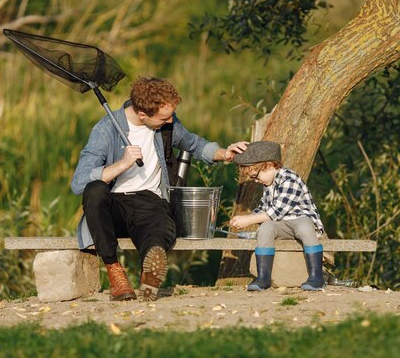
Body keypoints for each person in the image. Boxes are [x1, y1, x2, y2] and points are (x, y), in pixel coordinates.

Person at [71, 76, 247, 302]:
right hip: (112, 207)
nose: (170, 120)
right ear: (142, 114)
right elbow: (79, 182)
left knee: (160, 230)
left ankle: (150, 274)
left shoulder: (167, 125)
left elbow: (195, 144)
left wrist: (225, 153)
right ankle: (115, 271)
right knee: (94, 190)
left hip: (150, 202)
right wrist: (121, 164)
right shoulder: (106, 129)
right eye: (164, 117)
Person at [229, 141, 326, 291]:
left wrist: (248, 220)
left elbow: (276, 211)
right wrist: (248, 217)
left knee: (304, 226)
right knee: (266, 228)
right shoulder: (268, 185)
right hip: (283, 225)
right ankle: (263, 277)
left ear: (269, 165)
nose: (255, 180)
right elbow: (264, 208)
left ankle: (316, 276)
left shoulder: (290, 179)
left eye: (255, 176)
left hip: (301, 220)